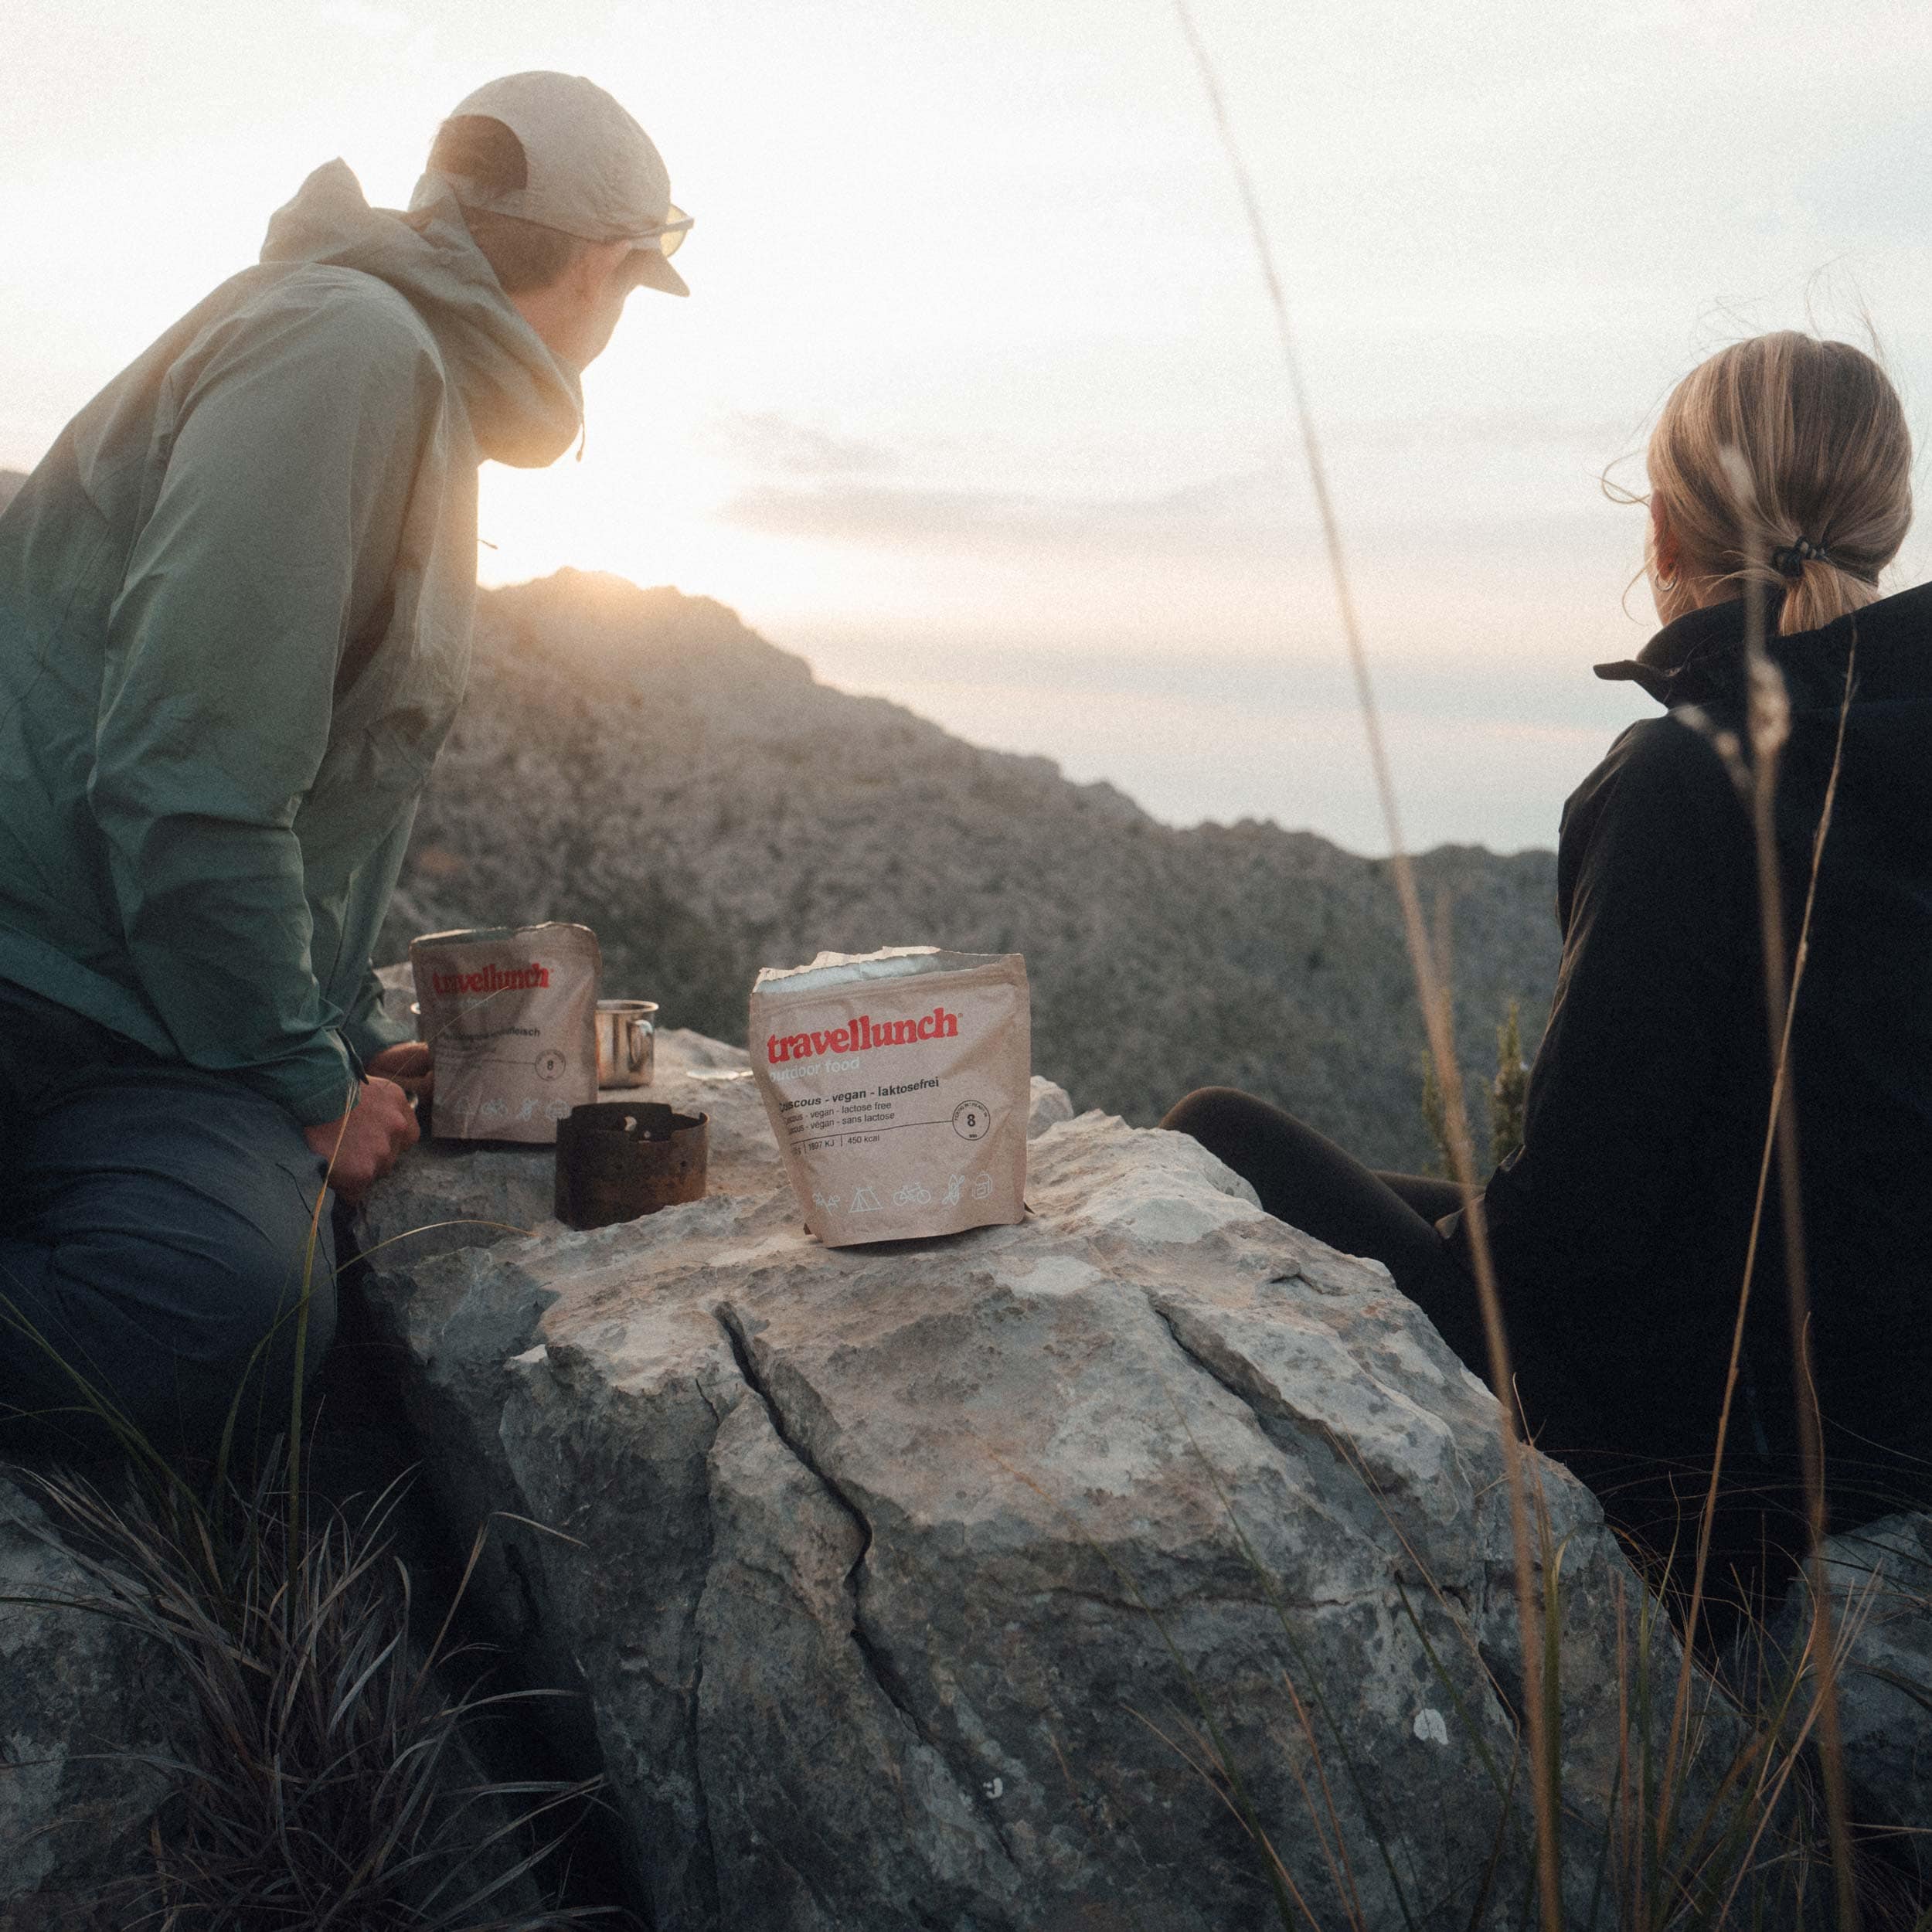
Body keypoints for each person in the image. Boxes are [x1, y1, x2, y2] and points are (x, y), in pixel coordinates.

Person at [1165, 332, 1932, 1635]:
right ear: (1886, 524)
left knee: (1215, 1143)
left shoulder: (1686, 781)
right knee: (1406, 1205)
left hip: (1715, 1475)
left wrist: (1450, 1263)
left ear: (1669, 535)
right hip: (1890, 1417)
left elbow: (1581, 1233)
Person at [0, 72, 693, 1455]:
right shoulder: (346, 350)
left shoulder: (399, 371)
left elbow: (294, 790)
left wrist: (343, 1034)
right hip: (41, 979)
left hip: (141, 1021)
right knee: (205, 1316)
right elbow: (185, 772)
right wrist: (306, 1086)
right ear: (609, 271)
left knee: (240, 1300)